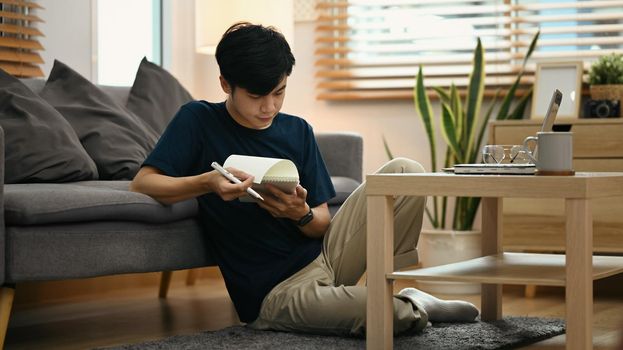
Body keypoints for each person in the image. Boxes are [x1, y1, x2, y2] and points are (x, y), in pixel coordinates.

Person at [130, 22, 479, 336]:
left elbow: (322, 223)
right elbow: (144, 182)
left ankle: (393, 288)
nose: (269, 106)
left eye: (279, 92)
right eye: (256, 96)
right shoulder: (198, 120)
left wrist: (300, 213)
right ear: (226, 84)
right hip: (275, 294)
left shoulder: (297, 130)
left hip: (324, 258)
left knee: (406, 172)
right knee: (396, 317)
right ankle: (408, 303)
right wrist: (206, 182)